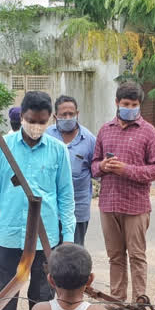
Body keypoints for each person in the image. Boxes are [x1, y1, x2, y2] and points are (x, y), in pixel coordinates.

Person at [0, 91, 75, 310]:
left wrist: (67, 240)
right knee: (3, 296)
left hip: (46, 240)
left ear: (49, 120)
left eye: (42, 121)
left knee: (42, 297)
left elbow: (66, 196)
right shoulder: (4, 146)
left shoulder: (58, 150)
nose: (35, 126)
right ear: (21, 117)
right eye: (31, 120)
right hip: (9, 237)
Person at [92, 81, 155, 306]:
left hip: (136, 205)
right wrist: (103, 167)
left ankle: (140, 300)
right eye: (126, 103)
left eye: (134, 104)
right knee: (115, 256)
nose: (130, 108)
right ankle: (117, 300)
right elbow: (93, 165)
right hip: (108, 203)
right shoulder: (105, 130)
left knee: (136, 255)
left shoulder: (149, 132)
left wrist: (127, 170)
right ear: (117, 103)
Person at [46, 95, 96, 245]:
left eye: (71, 114)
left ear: (77, 114)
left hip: (77, 211)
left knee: (73, 256)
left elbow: (97, 171)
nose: (68, 117)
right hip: (50, 210)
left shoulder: (89, 140)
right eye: (63, 115)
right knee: (49, 257)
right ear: (55, 116)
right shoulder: (46, 136)